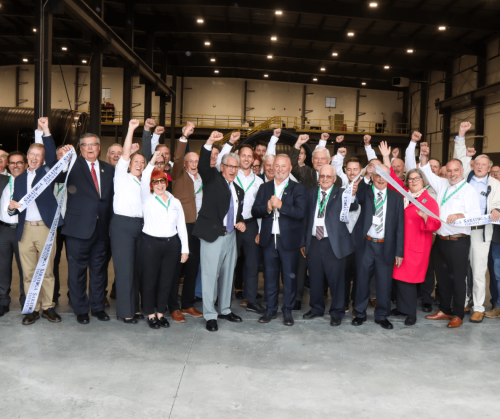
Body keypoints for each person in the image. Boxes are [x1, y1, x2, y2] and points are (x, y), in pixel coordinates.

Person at [8, 118, 73, 325]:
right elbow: (15, 205)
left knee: (47, 271)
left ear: (43, 158)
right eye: (32, 154)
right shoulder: (19, 179)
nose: (35, 158)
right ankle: (32, 309)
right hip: (25, 230)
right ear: (27, 156)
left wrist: (45, 130)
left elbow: (53, 156)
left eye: (39, 155)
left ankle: (48, 307)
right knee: (28, 272)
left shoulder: (48, 172)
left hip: (45, 228)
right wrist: (11, 208)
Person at [420, 142, 482, 328]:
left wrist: (460, 215)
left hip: (458, 242)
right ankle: (445, 310)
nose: (452, 174)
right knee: (443, 278)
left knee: (458, 280)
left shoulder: (469, 191)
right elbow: (426, 171)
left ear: (462, 171)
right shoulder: (443, 184)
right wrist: (424, 155)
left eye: (456, 170)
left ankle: (458, 314)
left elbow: (476, 217)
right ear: (445, 172)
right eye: (449, 171)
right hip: (441, 241)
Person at [193, 131, 246, 332]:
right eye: (229, 166)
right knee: (209, 276)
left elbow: (235, 212)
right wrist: (209, 142)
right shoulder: (212, 179)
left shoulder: (238, 190)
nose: (233, 170)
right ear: (221, 167)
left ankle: (224, 309)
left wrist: (240, 222)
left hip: (231, 237)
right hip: (212, 236)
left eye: (236, 167)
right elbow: (203, 165)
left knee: (228, 275)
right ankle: (210, 314)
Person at [63, 132, 115, 325]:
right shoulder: (71, 166)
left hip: (101, 230)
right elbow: (56, 173)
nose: (90, 148)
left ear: (99, 148)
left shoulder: (109, 169)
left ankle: (98, 307)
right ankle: (81, 309)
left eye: (93, 144)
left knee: (99, 272)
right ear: (80, 148)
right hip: (77, 229)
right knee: (77, 273)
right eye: (85, 145)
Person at [383, 161, 441, 325]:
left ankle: (411, 313)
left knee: (408, 280)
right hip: (400, 245)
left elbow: (436, 224)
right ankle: (402, 308)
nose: (414, 181)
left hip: (416, 247)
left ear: (423, 180)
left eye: (417, 178)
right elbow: (393, 181)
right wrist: (387, 158)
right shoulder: (403, 195)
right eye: (411, 179)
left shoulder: (429, 201)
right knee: (398, 279)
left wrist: (426, 217)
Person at [454, 122, 500, 323]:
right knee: (461, 269)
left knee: (479, 271)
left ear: (489, 168)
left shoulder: (495, 184)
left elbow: (498, 203)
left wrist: (497, 209)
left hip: (481, 232)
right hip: (462, 230)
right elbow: (458, 158)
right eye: (477, 163)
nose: (480, 167)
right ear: (472, 165)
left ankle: (479, 307)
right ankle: (463, 301)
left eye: (484, 164)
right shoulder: (464, 179)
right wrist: (461, 135)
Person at [252, 154, 306, 326]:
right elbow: (255, 210)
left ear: (290, 168)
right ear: (272, 168)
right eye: (277, 166)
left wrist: (281, 206)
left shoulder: (298, 188)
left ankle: (287, 311)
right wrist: (267, 208)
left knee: (289, 277)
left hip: (289, 241)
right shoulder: (264, 187)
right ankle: (271, 309)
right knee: (269, 276)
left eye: (284, 166)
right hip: (269, 240)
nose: (280, 169)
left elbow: (300, 212)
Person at [301, 165, 358, 326]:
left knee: (336, 280)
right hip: (314, 241)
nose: (325, 179)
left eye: (328, 176)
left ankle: (337, 312)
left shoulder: (342, 193)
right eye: (322, 176)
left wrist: (352, 196)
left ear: (334, 179)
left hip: (334, 243)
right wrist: (303, 241)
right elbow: (305, 218)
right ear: (318, 178)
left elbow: (353, 207)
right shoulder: (310, 193)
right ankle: (316, 308)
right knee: (315, 278)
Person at [351, 163, 405, 330]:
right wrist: (366, 175)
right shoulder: (365, 192)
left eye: (385, 176)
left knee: (384, 283)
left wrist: (399, 251)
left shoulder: (396, 198)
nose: (381, 179)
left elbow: (400, 227)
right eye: (378, 175)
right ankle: (359, 313)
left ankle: (382, 316)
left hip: (385, 246)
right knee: (361, 281)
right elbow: (357, 194)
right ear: (373, 177)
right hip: (366, 245)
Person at [140, 151, 189, 329]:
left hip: (171, 245)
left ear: (166, 182)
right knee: (150, 280)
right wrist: (153, 160)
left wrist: (185, 249)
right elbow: (145, 176)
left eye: (162, 181)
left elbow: (181, 226)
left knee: (166, 281)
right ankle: (150, 314)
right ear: (151, 185)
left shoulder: (175, 202)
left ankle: (161, 313)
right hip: (151, 244)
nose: (159, 184)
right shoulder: (147, 198)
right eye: (155, 182)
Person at [217, 134, 265, 314]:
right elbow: (219, 162)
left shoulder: (259, 181)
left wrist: (260, 230)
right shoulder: (229, 176)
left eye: (249, 156)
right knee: (226, 263)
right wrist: (229, 143)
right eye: (243, 155)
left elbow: (260, 209)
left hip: (250, 225)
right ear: (238, 156)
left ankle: (251, 300)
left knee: (252, 264)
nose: (246, 159)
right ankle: (221, 299)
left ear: (253, 159)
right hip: (230, 225)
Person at [109, 119, 146, 324]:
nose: (139, 164)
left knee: (137, 270)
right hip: (122, 226)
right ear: (129, 164)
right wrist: (131, 129)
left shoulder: (144, 183)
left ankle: (135, 308)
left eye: (142, 162)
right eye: (136, 161)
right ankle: (125, 312)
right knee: (124, 270)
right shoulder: (121, 176)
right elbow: (124, 154)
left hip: (140, 226)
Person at [167, 121, 204, 323]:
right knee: (176, 268)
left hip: (198, 227)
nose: (194, 163)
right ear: (185, 163)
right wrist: (184, 137)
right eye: (190, 161)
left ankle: (187, 304)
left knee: (193, 266)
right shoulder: (178, 175)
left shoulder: (201, 178)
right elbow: (178, 157)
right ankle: (173, 306)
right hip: (182, 226)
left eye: (196, 160)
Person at [331, 151, 363, 310]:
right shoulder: (339, 191)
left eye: (355, 169)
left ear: (361, 170)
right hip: (343, 239)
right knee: (343, 273)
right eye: (349, 169)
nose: (352, 172)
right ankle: (342, 303)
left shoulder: (367, 189)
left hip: (361, 239)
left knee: (359, 274)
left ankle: (356, 304)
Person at [0, 151, 27, 316]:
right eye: (12, 163)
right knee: (2, 268)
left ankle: (26, 302)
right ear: (8, 165)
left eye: (19, 162)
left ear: (25, 165)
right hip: (3, 230)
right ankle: (2, 301)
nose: (15, 166)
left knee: (25, 268)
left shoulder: (30, 182)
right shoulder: (2, 180)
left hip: (23, 230)